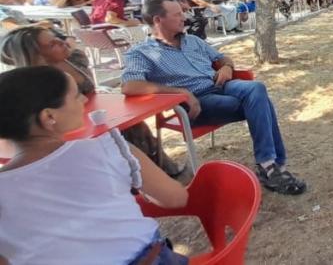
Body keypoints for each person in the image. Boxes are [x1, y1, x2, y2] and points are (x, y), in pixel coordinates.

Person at [0, 66, 190, 265]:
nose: (84, 100)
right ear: (48, 117)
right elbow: (175, 198)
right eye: (75, 96)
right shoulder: (108, 148)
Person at [122, 0, 307, 195]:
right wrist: (181, 92)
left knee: (257, 89)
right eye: (177, 14)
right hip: (197, 101)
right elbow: (130, 86)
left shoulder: (192, 41)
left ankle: (269, 164)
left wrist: (227, 67)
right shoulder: (142, 53)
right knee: (260, 103)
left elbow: (222, 57)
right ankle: (271, 166)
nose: (183, 17)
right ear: (158, 20)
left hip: (220, 85)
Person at [0, 26, 184, 177]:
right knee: (108, 138)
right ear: (37, 56)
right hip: (65, 126)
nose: (61, 42)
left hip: (93, 112)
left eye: (57, 37)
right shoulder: (33, 84)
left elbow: (88, 91)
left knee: (135, 126)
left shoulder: (74, 59)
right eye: (52, 44)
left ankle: (157, 170)